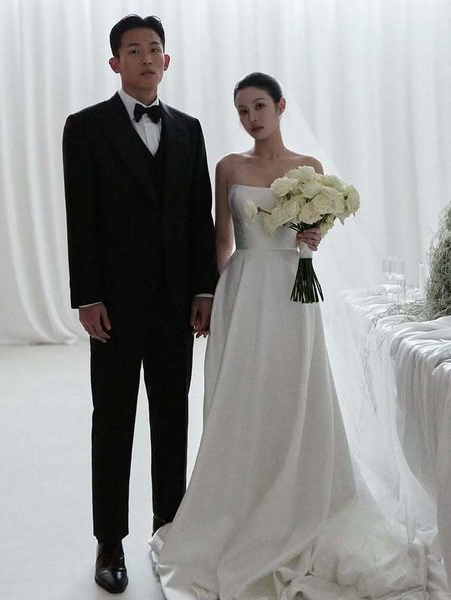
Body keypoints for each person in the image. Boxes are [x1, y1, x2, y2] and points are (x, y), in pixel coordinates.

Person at [149, 73, 450, 599]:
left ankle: (298, 500)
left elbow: (312, 240)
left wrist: (313, 237)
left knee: (296, 391)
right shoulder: (229, 167)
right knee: (241, 396)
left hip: (293, 294)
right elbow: (221, 239)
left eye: (259, 106)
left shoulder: (308, 169)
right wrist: (213, 297)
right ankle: (237, 502)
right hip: (244, 290)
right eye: (242, 110)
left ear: (280, 106)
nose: (251, 118)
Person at [62, 14, 217, 594]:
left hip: (176, 303)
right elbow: (80, 217)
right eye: (133, 50)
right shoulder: (85, 127)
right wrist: (88, 297)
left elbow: (200, 217)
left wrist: (204, 290)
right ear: (115, 63)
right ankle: (110, 540)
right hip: (116, 307)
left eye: (154, 49)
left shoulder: (189, 129)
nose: (146, 58)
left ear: (166, 61)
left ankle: (168, 529)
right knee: (113, 420)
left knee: (172, 418)